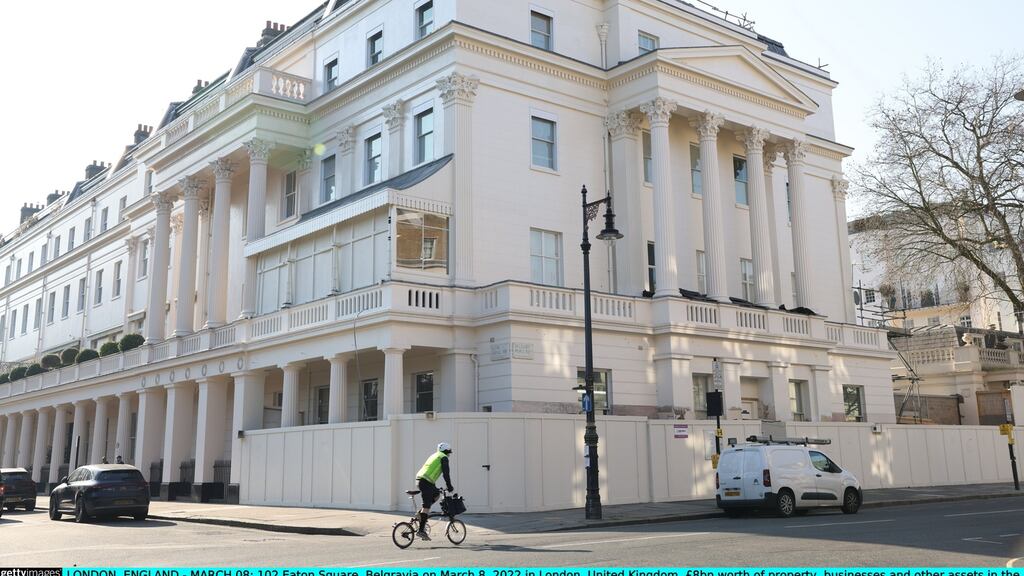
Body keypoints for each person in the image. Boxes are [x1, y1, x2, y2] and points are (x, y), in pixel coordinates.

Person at [414, 442, 454, 540]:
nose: (449, 454)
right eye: (449, 452)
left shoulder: (435, 455)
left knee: (436, 494)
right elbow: (446, 474)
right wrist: (449, 486)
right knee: (427, 506)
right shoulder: (443, 457)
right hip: (426, 481)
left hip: (421, 480)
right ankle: (421, 531)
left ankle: (421, 513)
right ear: (447, 451)